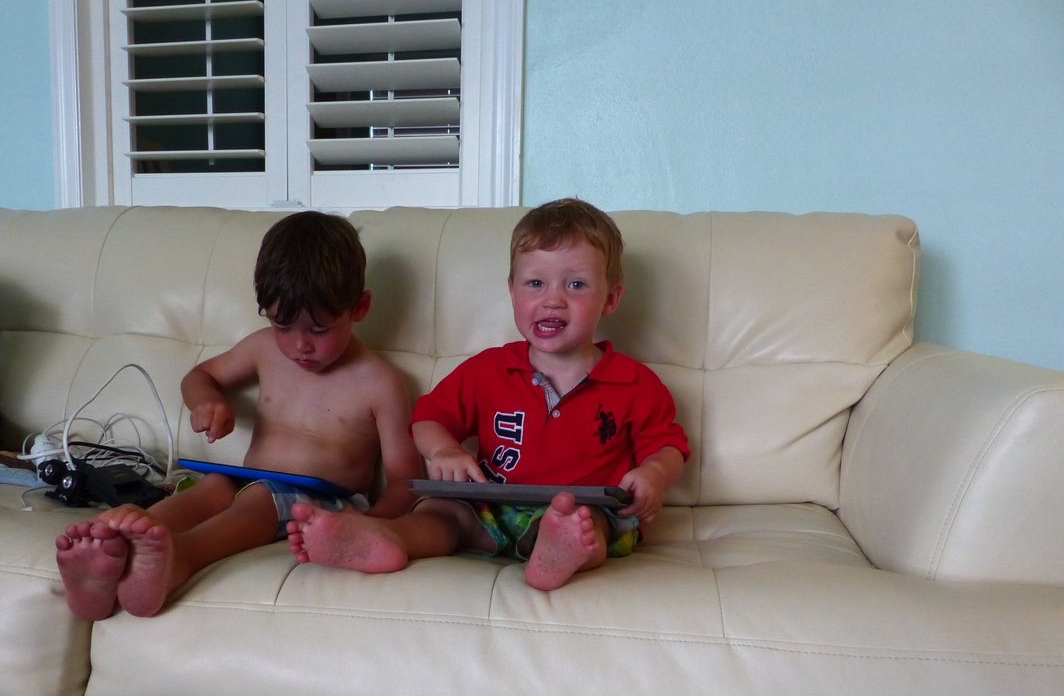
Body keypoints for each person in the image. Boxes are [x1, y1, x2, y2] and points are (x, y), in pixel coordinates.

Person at [288, 198, 689, 590]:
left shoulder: (635, 383)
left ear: (611, 299)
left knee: (589, 526)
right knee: (443, 514)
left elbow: (668, 446)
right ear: (512, 291)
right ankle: (386, 541)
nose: (553, 299)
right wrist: (444, 450)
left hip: (582, 509)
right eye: (535, 283)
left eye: (576, 284)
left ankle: (555, 553)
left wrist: (654, 474)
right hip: (488, 507)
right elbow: (428, 418)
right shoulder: (489, 370)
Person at [55, 211, 424, 619]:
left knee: (261, 500)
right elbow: (200, 375)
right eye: (283, 325)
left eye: (319, 330)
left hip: (324, 504)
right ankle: (121, 545)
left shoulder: (379, 383)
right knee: (211, 486)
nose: (300, 345)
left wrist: (369, 524)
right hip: (247, 482)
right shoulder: (263, 349)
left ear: (360, 308)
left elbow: (405, 479)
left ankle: (179, 559)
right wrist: (207, 401)